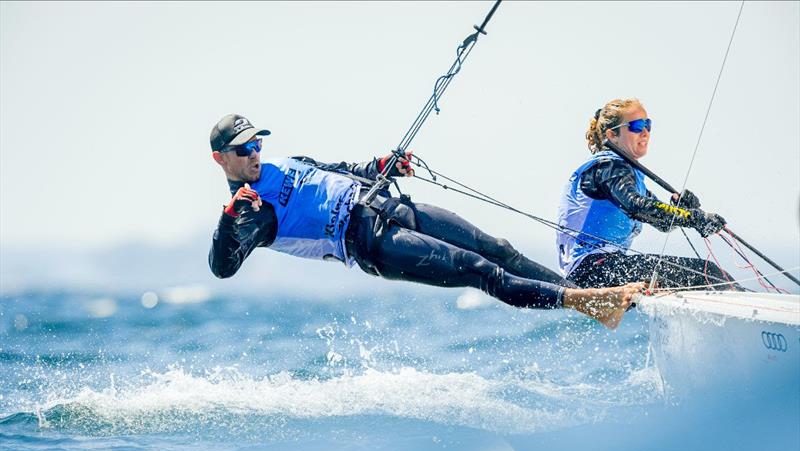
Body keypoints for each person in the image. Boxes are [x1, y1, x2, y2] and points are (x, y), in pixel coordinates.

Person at [208, 114, 643, 329]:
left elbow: (338, 169)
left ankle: (589, 295)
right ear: (221, 158)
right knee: (480, 271)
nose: (254, 155)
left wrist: (381, 165)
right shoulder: (251, 213)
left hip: (387, 205)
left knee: (499, 249)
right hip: (369, 243)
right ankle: (586, 303)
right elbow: (222, 266)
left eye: (256, 144)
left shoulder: (283, 162)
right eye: (243, 150)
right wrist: (230, 220)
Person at [556, 98, 738, 290]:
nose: (645, 132)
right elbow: (637, 206)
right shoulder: (609, 168)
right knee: (709, 275)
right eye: (636, 126)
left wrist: (680, 210)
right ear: (613, 134)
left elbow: (659, 221)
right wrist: (692, 218)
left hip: (600, 269)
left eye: (648, 124)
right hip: (592, 271)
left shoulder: (625, 175)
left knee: (707, 276)